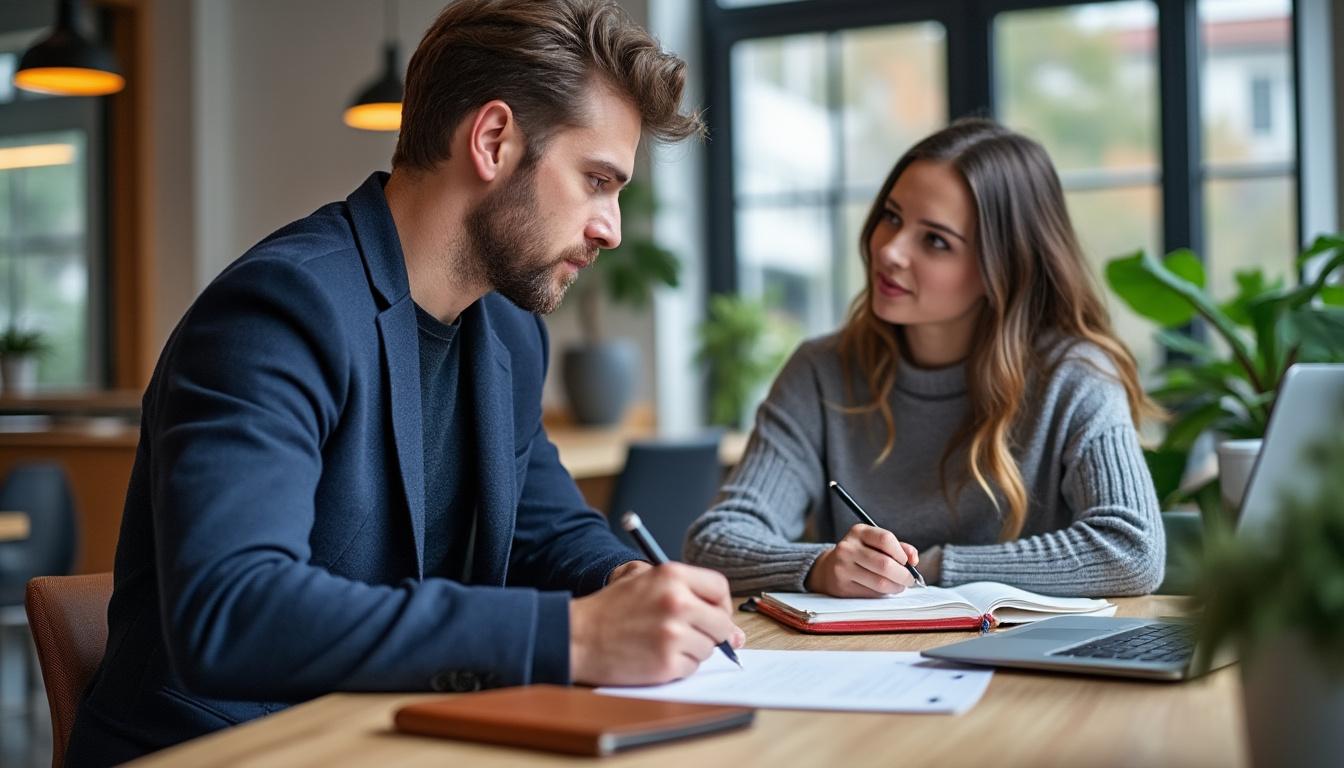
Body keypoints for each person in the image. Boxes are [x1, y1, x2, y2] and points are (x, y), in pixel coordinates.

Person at [67, 1, 743, 762]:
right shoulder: (280, 309)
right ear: (492, 141)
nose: (611, 228)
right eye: (595, 180)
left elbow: (545, 527)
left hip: (389, 740)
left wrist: (624, 581)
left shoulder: (509, 333)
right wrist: (571, 635)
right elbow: (234, 608)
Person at [684, 118, 1165, 599]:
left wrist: (933, 568)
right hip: (865, 665)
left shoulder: (1075, 376)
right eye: (892, 216)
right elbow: (714, 543)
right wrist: (821, 565)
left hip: (1021, 664)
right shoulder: (821, 372)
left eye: (935, 241)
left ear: (1004, 268)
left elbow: (1132, 551)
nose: (889, 250)